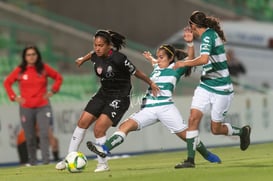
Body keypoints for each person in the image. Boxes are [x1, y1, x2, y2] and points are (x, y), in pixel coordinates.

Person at [86, 42, 222, 169]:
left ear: (171, 58)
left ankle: (207, 155)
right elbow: (155, 62)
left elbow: (190, 58)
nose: (159, 59)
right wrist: (151, 57)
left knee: (187, 136)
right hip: (149, 109)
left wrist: (190, 43)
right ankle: (104, 149)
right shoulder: (157, 66)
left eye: (162, 57)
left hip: (165, 107)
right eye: (158, 57)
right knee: (125, 126)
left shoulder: (176, 68)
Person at [55, 30, 159, 172]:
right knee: (82, 122)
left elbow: (136, 72)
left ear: (109, 46)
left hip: (120, 96)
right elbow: (90, 55)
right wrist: (81, 59)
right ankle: (69, 158)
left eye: (101, 45)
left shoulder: (119, 59)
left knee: (99, 128)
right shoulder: (95, 55)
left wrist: (151, 83)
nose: (97, 48)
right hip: (103, 93)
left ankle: (102, 164)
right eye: (95, 45)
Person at [173, 11, 251, 168]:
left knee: (216, 129)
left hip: (222, 88)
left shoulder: (209, 36)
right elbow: (203, 60)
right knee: (193, 119)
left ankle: (242, 132)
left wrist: (183, 63)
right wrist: (189, 44)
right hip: (205, 86)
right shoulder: (206, 36)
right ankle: (190, 160)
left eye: (190, 26)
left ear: (193, 25)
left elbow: (203, 59)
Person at [3, 45, 63, 165]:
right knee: (29, 136)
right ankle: (33, 161)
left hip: (43, 105)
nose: (31, 57)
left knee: (44, 133)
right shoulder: (20, 70)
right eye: (28, 55)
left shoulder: (43, 68)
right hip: (26, 107)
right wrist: (14, 97)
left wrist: (53, 90)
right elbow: (7, 82)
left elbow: (58, 77)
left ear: (37, 56)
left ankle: (46, 161)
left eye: (33, 54)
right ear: (25, 57)